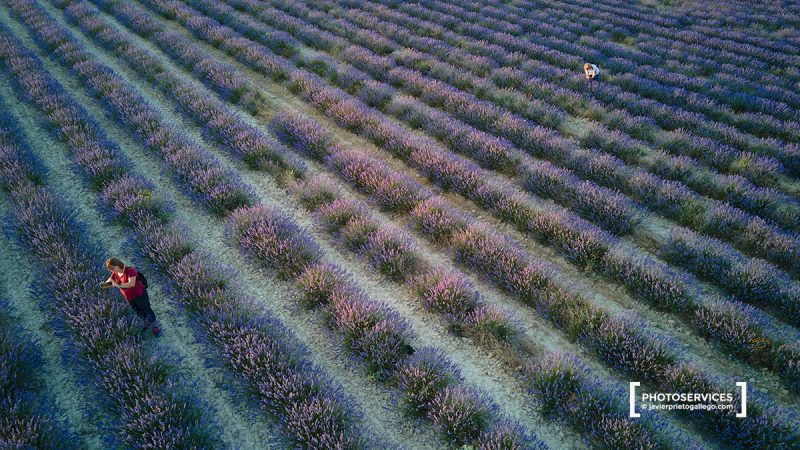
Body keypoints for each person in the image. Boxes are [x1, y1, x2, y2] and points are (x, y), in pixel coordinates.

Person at [101, 258, 158, 336]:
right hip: (129, 297)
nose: (111, 270)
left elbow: (131, 284)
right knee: (138, 312)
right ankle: (147, 323)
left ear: (117, 265)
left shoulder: (130, 270)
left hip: (140, 294)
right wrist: (104, 285)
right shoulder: (115, 274)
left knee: (146, 309)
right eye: (110, 269)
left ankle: (155, 325)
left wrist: (117, 285)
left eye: (112, 268)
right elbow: (109, 282)